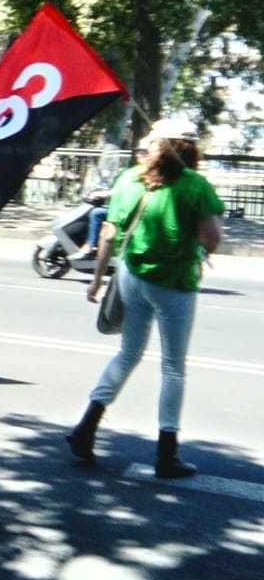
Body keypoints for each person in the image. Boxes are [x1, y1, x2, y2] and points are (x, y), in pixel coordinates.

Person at [70, 119, 225, 479]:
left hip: (131, 276)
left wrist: (97, 280)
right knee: (172, 366)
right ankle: (166, 455)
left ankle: (86, 427)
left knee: (128, 353)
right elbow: (212, 238)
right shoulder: (195, 185)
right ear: (189, 149)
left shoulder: (129, 179)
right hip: (174, 284)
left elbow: (109, 234)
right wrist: (199, 248)